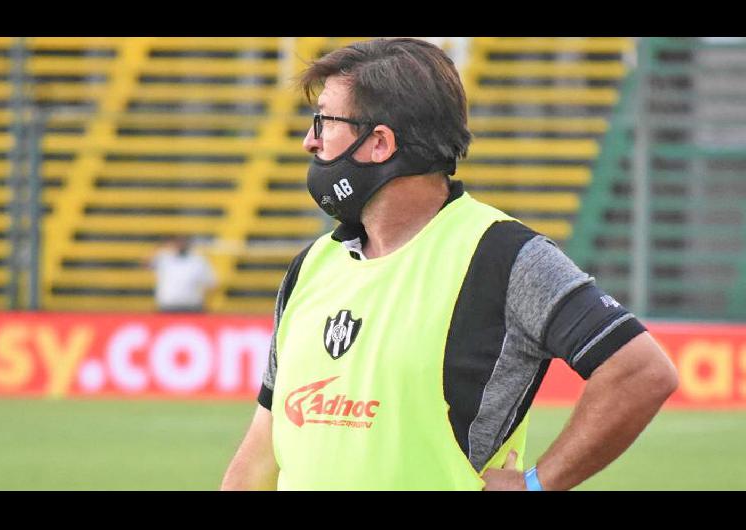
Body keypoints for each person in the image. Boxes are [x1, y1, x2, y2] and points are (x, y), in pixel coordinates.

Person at [221, 38, 678, 491]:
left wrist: (540, 483)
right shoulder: (312, 266)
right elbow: (261, 450)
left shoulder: (503, 257)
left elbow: (640, 370)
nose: (309, 140)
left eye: (323, 120)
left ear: (379, 142)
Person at [146, 235, 217, 313]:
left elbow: (211, 283)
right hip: (168, 305)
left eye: (183, 241)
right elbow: (147, 264)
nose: (181, 244)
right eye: (178, 241)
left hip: (192, 305)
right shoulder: (163, 257)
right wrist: (160, 246)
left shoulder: (199, 260)